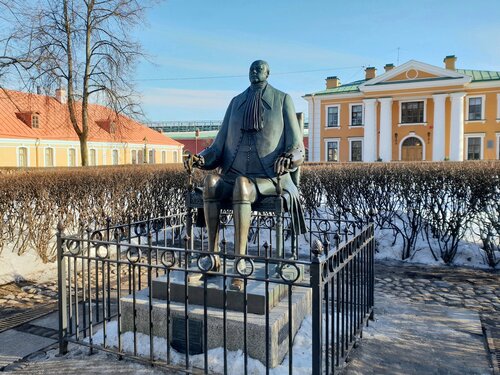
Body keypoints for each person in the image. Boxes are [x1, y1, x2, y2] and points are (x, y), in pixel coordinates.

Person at [185, 60, 306, 290]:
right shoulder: (236, 103)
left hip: (269, 178)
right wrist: (200, 159)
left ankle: (239, 265)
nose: (254, 71)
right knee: (210, 182)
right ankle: (213, 258)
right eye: (251, 68)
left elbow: (298, 147)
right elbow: (217, 147)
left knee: (242, 186)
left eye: (259, 68)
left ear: (268, 73)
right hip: (233, 175)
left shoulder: (282, 100)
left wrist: (290, 159)